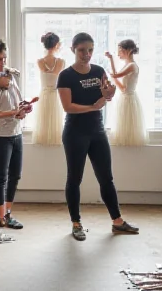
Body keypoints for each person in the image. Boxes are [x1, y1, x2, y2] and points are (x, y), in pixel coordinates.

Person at [57, 32, 139, 241]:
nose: (87, 54)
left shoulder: (99, 70)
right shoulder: (66, 75)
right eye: (82, 50)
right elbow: (68, 107)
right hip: (75, 133)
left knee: (106, 178)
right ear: (73, 50)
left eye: (90, 50)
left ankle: (117, 222)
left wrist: (109, 93)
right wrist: (94, 106)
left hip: (97, 131)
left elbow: (107, 96)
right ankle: (76, 223)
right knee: (74, 179)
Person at [0, 37, 30, 230]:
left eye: (5, 58)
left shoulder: (11, 75)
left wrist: (24, 108)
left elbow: (17, 100)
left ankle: (7, 213)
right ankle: (0, 217)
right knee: (0, 176)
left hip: (16, 132)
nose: (3, 62)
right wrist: (13, 112)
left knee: (15, 175)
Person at [105, 39, 146, 146]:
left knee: (127, 129)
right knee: (122, 128)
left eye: (120, 50)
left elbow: (115, 74)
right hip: (125, 97)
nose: (118, 53)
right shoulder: (128, 65)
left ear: (127, 50)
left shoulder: (132, 65)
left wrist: (111, 59)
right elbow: (123, 88)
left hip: (128, 99)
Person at [32, 31, 65, 145]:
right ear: (56, 45)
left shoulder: (40, 61)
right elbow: (55, 73)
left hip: (45, 95)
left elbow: (48, 72)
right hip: (55, 95)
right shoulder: (61, 62)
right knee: (54, 124)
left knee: (44, 123)